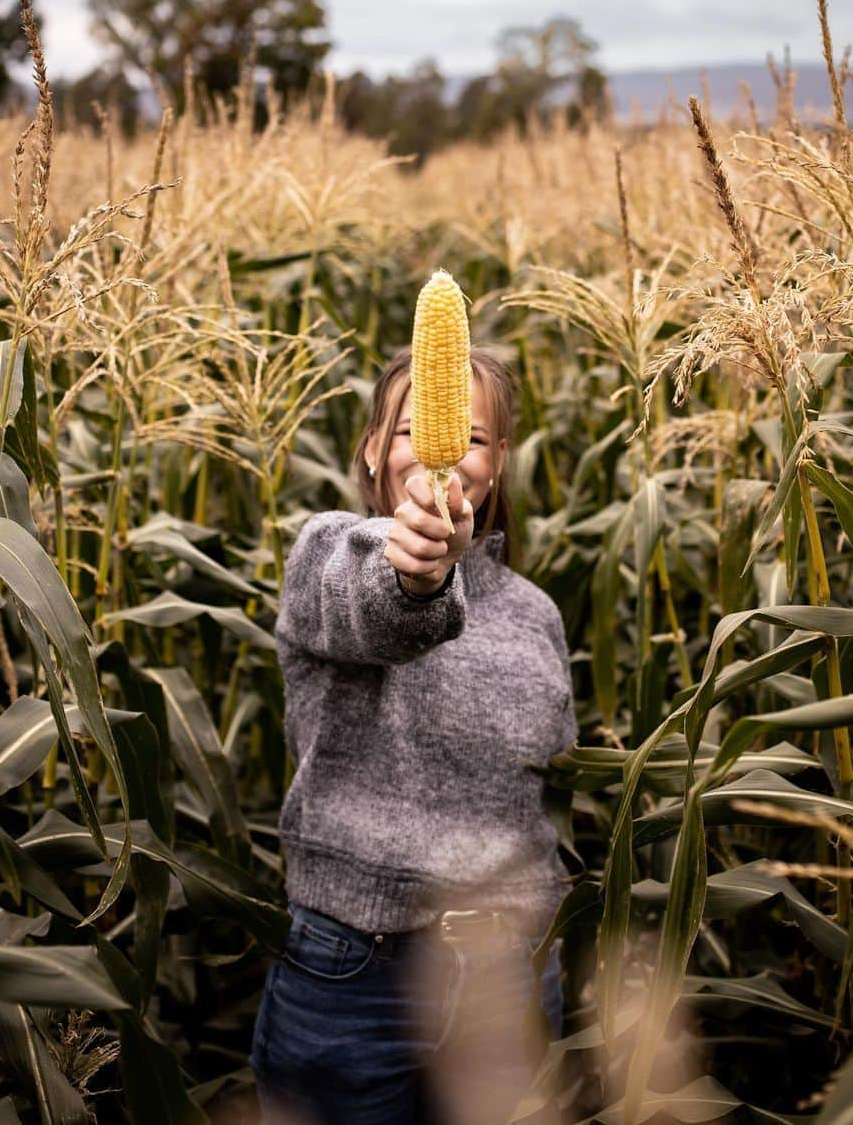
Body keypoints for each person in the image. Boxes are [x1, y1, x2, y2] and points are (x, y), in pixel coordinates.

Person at [250, 345, 580, 1124]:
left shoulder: (537, 614)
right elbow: (383, 606)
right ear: (372, 449)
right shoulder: (330, 559)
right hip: (354, 980)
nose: (437, 452)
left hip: (511, 982)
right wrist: (422, 577)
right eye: (410, 431)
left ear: (497, 463)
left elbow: (549, 793)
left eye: (468, 436)